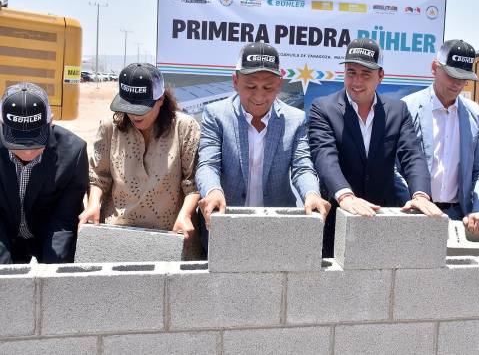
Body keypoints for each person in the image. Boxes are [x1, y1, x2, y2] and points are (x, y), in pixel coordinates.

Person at [308, 38, 443, 257]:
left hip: (382, 219)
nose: (357, 81)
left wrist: (420, 195)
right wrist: (345, 196)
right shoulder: (323, 109)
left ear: (380, 75)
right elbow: (324, 156)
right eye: (351, 72)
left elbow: (412, 154)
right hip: (338, 219)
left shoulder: (398, 111)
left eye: (366, 74)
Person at [195, 42, 330, 252]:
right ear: (235, 81)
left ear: (279, 84)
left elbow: (302, 166)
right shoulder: (216, 115)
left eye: (268, 88)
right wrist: (213, 191)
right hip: (225, 223)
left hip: (276, 227)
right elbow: (208, 164)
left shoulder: (295, 119)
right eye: (250, 87)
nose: (259, 96)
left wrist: (311, 194)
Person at [79, 63, 201, 242]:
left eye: (142, 107)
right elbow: (98, 176)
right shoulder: (109, 127)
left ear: (161, 99)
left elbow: (193, 183)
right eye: (128, 106)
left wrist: (186, 214)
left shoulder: (185, 128)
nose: (135, 115)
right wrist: (92, 205)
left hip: (170, 235)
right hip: (117, 232)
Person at [395, 40, 479, 235]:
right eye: (451, 75)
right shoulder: (406, 108)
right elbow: (392, 166)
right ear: (434, 68)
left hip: (457, 216)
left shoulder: (475, 115)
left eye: (464, 78)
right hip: (412, 213)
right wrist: (413, 200)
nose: (457, 83)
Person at [0, 83, 88, 264]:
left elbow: (64, 219)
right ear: (2, 124)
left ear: (51, 121)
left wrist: (52, 272)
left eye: (35, 141)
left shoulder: (74, 152)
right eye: (17, 142)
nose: (27, 151)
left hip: (49, 233)